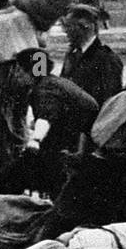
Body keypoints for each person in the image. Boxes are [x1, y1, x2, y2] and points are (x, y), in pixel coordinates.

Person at [42, 55, 126, 238]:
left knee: (63, 229)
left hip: (86, 174)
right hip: (115, 186)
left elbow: (90, 129)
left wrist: (80, 155)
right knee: (121, 237)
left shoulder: (120, 99)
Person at [14, 47, 99, 198]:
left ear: (31, 71)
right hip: (82, 132)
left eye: (20, 69)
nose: (17, 73)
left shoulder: (43, 89)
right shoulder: (52, 82)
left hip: (82, 138)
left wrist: (35, 140)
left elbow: (45, 117)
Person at [0, 3, 46, 170]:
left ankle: (4, 166)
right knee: (20, 117)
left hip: (4, 74)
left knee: (3, 123)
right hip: (28, 71)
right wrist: (40, 77)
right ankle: (19, 162)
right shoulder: (32, 20)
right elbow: (42, 46)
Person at [60, 3, 123, 108]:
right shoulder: (71, 54)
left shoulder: (107, 59)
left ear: (85, 26)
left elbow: (109, 103)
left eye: (68, 26)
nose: (65, 31)